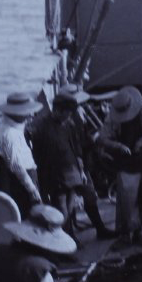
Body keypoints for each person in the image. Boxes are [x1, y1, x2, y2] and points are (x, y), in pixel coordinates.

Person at [30, 85, 117, 242]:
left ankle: (100, 229)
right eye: (67, 114)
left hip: (75, 170)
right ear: (57, 110)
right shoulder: (41, 127)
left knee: (90, 196)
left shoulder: (68, 124)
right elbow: (39, 156)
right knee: (64, 209)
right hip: (56, 175)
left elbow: (76, 147)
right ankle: (68, 239)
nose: (69, 117)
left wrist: (82, 169)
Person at [99, 86, 142, 241]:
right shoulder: (112, 116)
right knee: (125, 199)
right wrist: (118, 146)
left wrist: (141, 142)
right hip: (124, 161)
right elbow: (103, 137)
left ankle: (139, 231)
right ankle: (124, 232)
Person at [0, 92, 43, 217]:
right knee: (32, 211)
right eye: (27, 112)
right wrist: (32, 190)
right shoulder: (10, 135)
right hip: (23, 178)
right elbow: (16, 166)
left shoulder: (1, 122)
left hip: (22, 174)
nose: (31, 115)